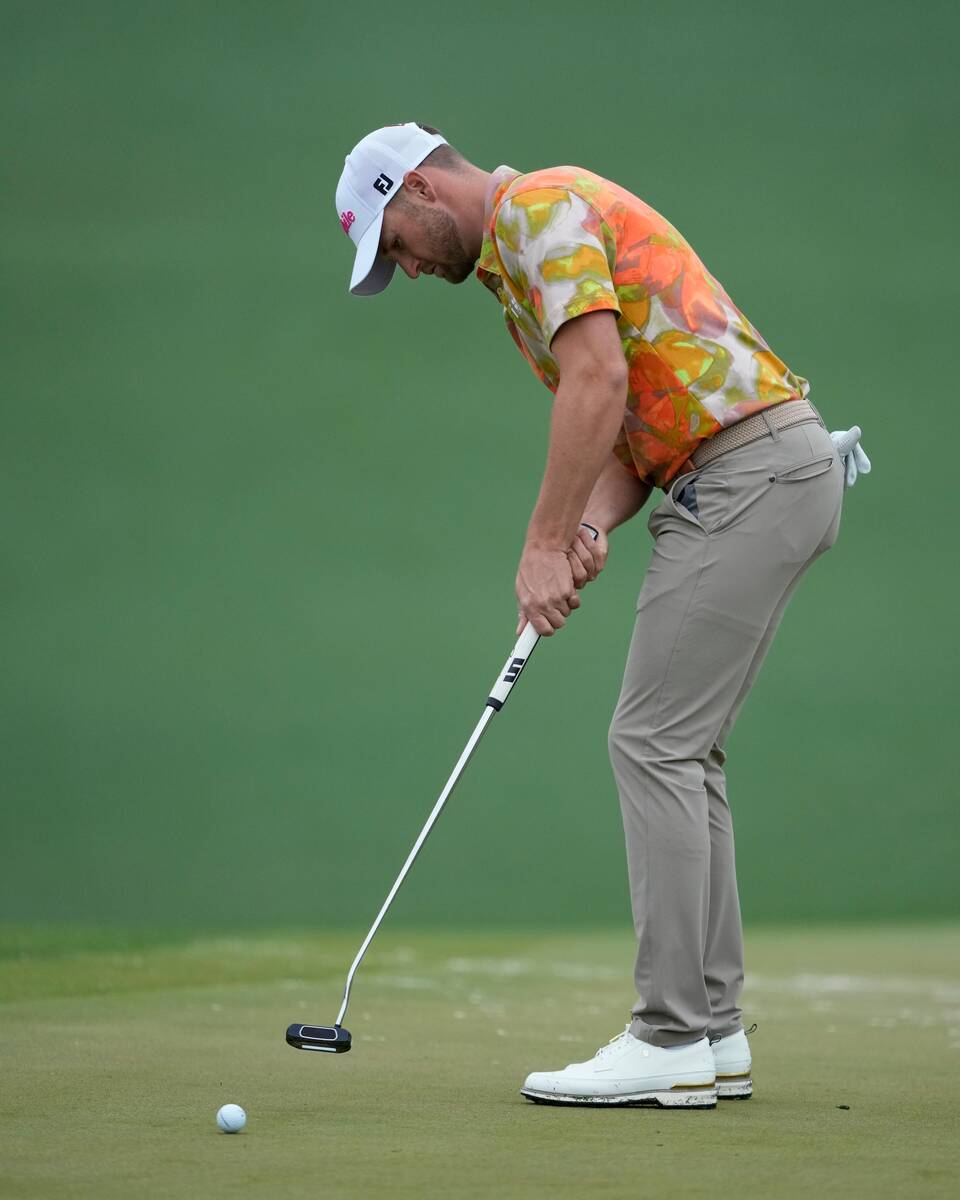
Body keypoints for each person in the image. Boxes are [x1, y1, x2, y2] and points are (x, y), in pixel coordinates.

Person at [334, 122, 870, 1109]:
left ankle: (669, 1032)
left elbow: (597, 381)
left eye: (395, 247)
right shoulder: (519, 257)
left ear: (416, 188)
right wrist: (584, 526)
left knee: (651, 743)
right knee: (681, 750)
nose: (404, 271)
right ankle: (708, 1032)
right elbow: (630, 424)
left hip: (746, 474)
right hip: (758, 469)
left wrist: (541, 547)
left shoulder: (536, 208)